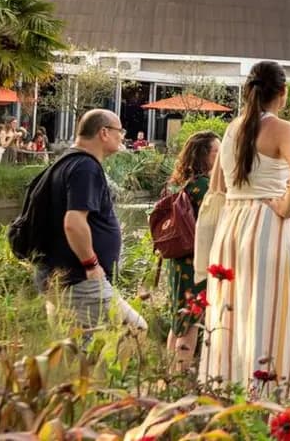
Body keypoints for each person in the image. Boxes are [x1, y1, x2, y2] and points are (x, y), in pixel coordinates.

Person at [200, 61, 290, 395]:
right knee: (265, 308)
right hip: (266, 224)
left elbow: (217, 184)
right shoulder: (283, 129)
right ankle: (265, 397)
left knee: (232, 310)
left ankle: (227, 390)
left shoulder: (233, 128)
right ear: (283, 92)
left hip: (231, 226)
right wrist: (285, 206)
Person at [34, 109, 145, 331]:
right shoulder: (86, 167)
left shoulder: (65, 161)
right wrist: (91, 265)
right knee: (135, 329)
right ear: (104, 132)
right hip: (80, 278)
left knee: (74, 349)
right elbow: (73, 222)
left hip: (59, 275)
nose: (122, 136)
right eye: (119, 131)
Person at [165, 130, 219, 370]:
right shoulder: (204, 186)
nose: (222, 156)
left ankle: (168, 375)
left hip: (178, 259)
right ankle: (180, 377)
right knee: (192, 322)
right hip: (194, 260)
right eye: (217, 151)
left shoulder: (180, 183)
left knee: (179, 319)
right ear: (204, 155)